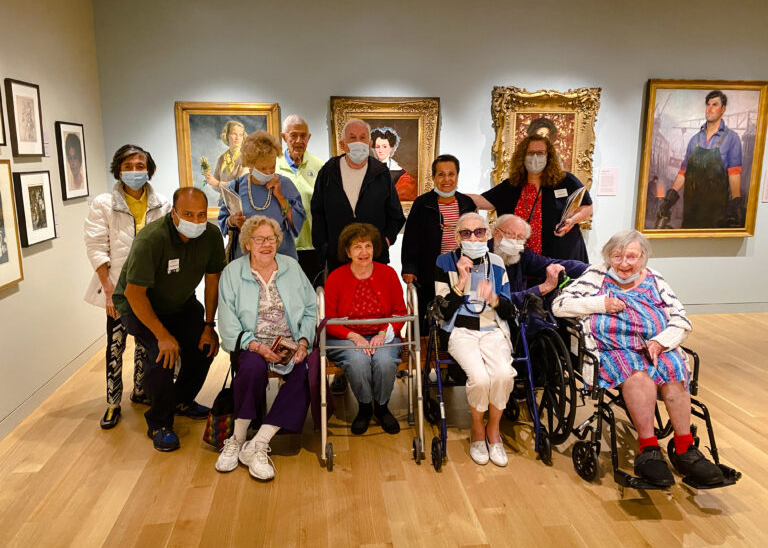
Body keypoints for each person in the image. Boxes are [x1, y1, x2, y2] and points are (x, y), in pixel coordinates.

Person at [552, 230, 724, 487]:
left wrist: (661, 341)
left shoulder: (655, 279)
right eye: (617, 256)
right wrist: (601, 304)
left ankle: (686, 448)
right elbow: (560, 305)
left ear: (642, 257)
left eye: (630, 257)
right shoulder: (596, 276)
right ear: (608, 256)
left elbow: (680, 318)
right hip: (612, 350)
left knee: (675, 370)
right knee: (636, 374)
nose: (623, 263)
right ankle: (649, 449)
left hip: (655, 347)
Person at [112, 187, 226, 452]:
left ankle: (181, 401)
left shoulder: (210, 236)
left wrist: (209, 326)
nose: (196, 221)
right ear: (173, 213)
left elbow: (212, 282)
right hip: (138, 305)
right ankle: (159, 422)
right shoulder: (151, 239)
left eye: (200, 215)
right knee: (162, 357)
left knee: (204, 348)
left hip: (180, 303)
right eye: (188, 214)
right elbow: (134, 293)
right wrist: (162, 335)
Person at [216, 215, 316, 480]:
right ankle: (237, 440)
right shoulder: (232, 273)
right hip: (252, 343)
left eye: (270, 239)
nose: (265, 244)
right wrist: (256, 345)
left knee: (305, 372)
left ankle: (259, 442)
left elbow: (309, 308)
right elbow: (226, 319)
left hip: (290, 342)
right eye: (258, 239)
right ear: (247, 243)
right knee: (250, 368)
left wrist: (304, 341)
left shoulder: (291, 267)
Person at [84, 144, 170, 429]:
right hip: (119, 291)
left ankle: (141, 390)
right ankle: (112, 402)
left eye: (140, 166)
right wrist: (109, 291)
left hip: (150, 288)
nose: (135, 171)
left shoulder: (162, 203)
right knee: (116, 346)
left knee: (146, 344)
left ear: (149, 168)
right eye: (128, 166)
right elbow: (96, 247)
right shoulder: (103, 204)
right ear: (118, 169)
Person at [434, 212, 515, 467]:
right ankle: (478, 429)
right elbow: (442, 312)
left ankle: (494, 428)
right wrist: (460, 283)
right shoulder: (445, 261)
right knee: (479, 379)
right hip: (461, 331)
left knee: (502, 375)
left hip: (493, 329)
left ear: (488, 234)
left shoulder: (498, 263)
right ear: (457, 237)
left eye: (479, 231)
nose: (473, 237)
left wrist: (493, 298)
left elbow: (509, 311)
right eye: (466, 233)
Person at [324, 223, 406, 435]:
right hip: (345, 335)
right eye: (357, 247)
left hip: (382, 332)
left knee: (384, 361)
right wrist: (353, 336)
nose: (364, 252)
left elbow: (400, 311)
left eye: (368, 246)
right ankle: (363, 408)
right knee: (358, 361)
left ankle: (381, 406)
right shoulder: (335, 277)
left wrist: (382, 333)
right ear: (348, 251)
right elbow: (329, 319)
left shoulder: (388, 273)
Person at [469, 134, 593, 262]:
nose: (535, 158)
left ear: (548, 156)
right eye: (530, 153)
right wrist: (454, 195)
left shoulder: (565, 180)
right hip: (523, 258)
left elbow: (587, 207)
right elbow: (485, 201)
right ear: (522, 157)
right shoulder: (513, 184)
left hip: (561, 254)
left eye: (540, 153)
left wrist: (572, 220)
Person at [311, 118, 405, 273]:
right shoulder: (328, 172)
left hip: (375, 258)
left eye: (362, 138)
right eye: (352, 138)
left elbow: (396, 214)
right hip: (338, 259)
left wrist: (385, 240)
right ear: (343, 144)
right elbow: (317, 212)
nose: (358, 142)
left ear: (369, 144)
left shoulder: (381, 174)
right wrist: (324, 247)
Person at [401, 154, 476, 328]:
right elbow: (411, 238)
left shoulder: (467, 203)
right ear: (433, 177)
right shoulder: (422, 203)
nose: (446, 179)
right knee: (427, 318)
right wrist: (409, 267)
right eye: (441, 174)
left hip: (461, 271)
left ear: (457, 176)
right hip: (429, 271)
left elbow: (476, 236)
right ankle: (427, 350)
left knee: (458, 317)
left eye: (451, 174)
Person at [656, 90, 743, 229]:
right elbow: (683, 171)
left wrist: (736, 202)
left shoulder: (732, 139)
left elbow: (734, 174)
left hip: (716, 213)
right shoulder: (694, 140)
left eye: (715, 105)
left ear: (723, 109)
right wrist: (669, 199)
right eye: (708, 104)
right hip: (691, 211)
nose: (710, 109)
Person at [218, 130, 305, 260]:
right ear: (251, 165)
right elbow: (224, 221)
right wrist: (232, 221)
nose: (269, 172)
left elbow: (297, 224)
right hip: (247, 258)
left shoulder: (285, 185)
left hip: (281, 256)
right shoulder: (235, 187)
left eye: (272, 166)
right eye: (263, 168)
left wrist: (280, 198)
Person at [491, 214, 588, 309]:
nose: (515, 240)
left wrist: (592, 269)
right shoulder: (483, 256)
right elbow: (501, 301)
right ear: (496, 232)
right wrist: (543, 288)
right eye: (510, 234)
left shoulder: (521, 254)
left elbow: (551, 264)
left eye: (520, 237)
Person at [276, 115, 324, 285]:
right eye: (293, 135)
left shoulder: (320, 166)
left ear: (309, 137)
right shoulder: (273, 166)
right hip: (281, 248)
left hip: (313, 248)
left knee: (313, 297)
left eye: (303, 136)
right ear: (284, 137)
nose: (298, 140)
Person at [371, 126, 417, 201]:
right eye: (377, 147)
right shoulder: (368, 169)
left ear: (391, 148)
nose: (380, 150)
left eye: (384, 146)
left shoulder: (401, 174)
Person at [204, 120, 249, 190]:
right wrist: (210, 180)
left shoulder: (246, 157)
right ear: (227, 135)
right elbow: (216, 187)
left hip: (240, 200)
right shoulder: (222, 158)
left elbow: (240, 185)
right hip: (223, 200)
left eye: (240, 135)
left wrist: (217, 183)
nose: (237, 138)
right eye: (234, 134)